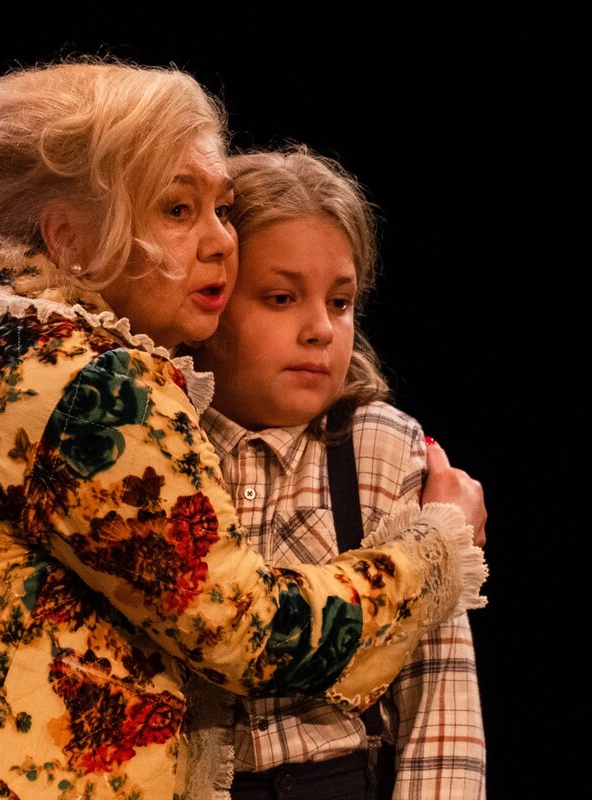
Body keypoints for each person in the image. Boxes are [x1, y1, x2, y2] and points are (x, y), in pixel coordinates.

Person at [0, 60, 488, 800]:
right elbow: (254, 634)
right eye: (176, 210)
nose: (221, 241)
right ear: (69, 235)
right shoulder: (89, 378)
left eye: (220, 207)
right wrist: (437, 547)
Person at [188, 148, 486, 799]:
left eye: (342, 302)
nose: (321, 329)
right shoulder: (159, 445)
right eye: (280, 298)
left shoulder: (381, 449)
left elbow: (440, 698)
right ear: (208, 299)